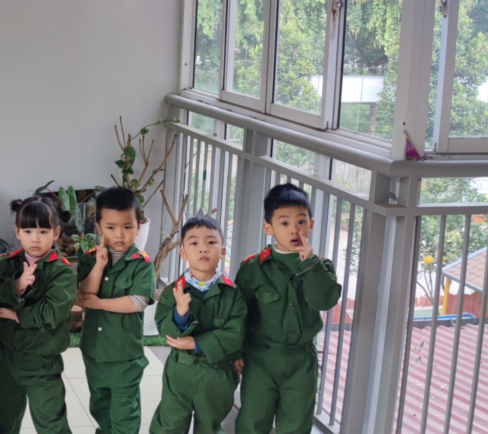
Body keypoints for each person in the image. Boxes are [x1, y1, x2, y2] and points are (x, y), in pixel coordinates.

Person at [235, 184, 341, 434]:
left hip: (301, 359)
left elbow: (325, 301)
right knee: (253, 421)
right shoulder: (253, 268)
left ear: (311, 224)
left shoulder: (320, 267)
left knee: (296, 424)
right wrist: (236, 352)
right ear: (269, 228)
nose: (295, 229)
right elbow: (239, 314)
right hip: (260, 358)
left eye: (301, 222)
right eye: (284, 223)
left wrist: (311, 264)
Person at [148, 216, 247, 434]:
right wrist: (180, 314)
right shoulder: (173, 292)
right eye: (194, 243)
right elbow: (165, 330)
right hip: (180, 371)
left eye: (211, 242)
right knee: (169, 425)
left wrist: (197, 343)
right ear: (183, 253)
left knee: (209, 426)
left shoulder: (233, 294)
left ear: (223, 251)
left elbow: (236, 333)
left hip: (217, 373)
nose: (203, 248)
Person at [0, 196, 76, 434]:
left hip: (42, 359)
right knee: (0, 419)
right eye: (28, 231)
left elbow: (53, 311)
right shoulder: (5, 264)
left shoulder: (62, 271)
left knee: (51, 424)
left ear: (56, 233)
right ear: (17, 231)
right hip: (7, 356)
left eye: (43, 231)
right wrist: (16, 285)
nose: (35, 238)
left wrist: (17, 315)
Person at [76, 186, 155, 434]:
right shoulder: (89, 258)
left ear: (138, 226)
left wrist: (99, 303)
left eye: (127, 227)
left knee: (124, 411)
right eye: (111, 227)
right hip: (94, 351)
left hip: (124, 355)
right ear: (99, 227)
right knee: (100, 406)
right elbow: (83, 294)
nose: (119, 234)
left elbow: (138, 301)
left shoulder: (142, 263)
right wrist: (99, 267)